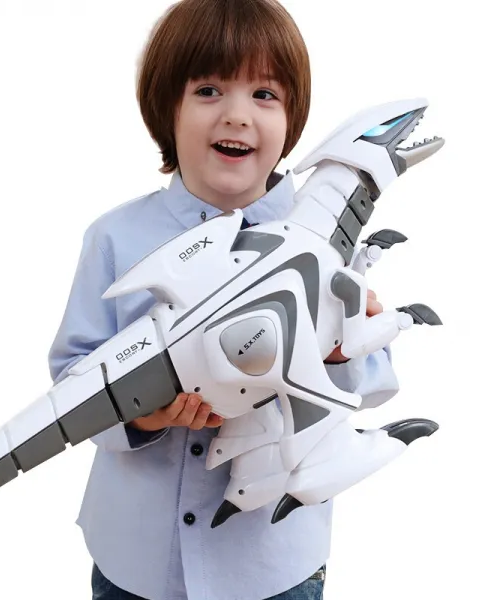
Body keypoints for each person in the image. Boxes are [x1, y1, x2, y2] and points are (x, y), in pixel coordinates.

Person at [48, 1, 399, 598]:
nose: (237, 115)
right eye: (208, 90)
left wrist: (339, 347)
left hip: (271, 564)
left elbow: (373, 382)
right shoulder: (114, 238)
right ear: (168, 108)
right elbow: (71, 379)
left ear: (292, 117)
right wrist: (145, 414)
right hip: (135, 561)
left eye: (265, 94)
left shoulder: (327, 241)